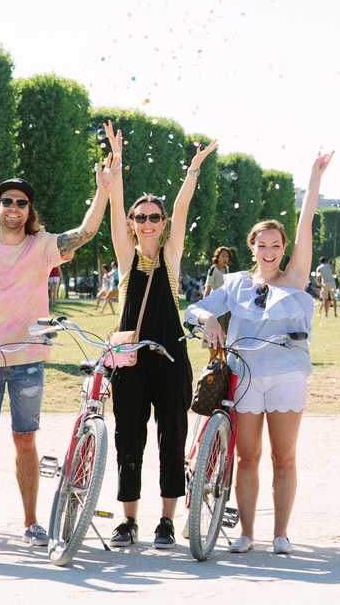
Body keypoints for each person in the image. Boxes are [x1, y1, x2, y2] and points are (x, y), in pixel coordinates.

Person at [0, 166, 111, 547]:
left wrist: (102, 191)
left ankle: (32, 522)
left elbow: (84, 233)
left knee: (25, 440)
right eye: (7, 201)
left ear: (29, 210)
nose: (14, 207)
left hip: (26, 358)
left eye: (21, 202)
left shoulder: (42, 247)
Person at [186, 151, 330, 555]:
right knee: (247, 457)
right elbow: (193, 310)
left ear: (284, 248)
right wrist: (208, 322)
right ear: (252, 248)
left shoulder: (296, 278)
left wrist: (314, 178)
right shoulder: (234, 285)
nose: (269, 250)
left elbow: (306, 226)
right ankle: (247, 532)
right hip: (244, 376)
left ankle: (280, 533)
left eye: (276, 244)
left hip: (286, 376)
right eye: (261, 244)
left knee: (283, 457)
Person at [101, 122, 216, 549]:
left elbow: (184, 209)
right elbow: (114, 210)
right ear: (132, 225)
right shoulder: (127, 259)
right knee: (128, 436)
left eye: (154, 217)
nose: (147, 222)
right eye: (140, 217)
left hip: (171, 360)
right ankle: (129, 519)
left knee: (173, 435)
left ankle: (166, 520)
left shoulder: (170, 256)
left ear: (162, 222)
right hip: (130, 360)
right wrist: (116, 167)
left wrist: (193, 170)